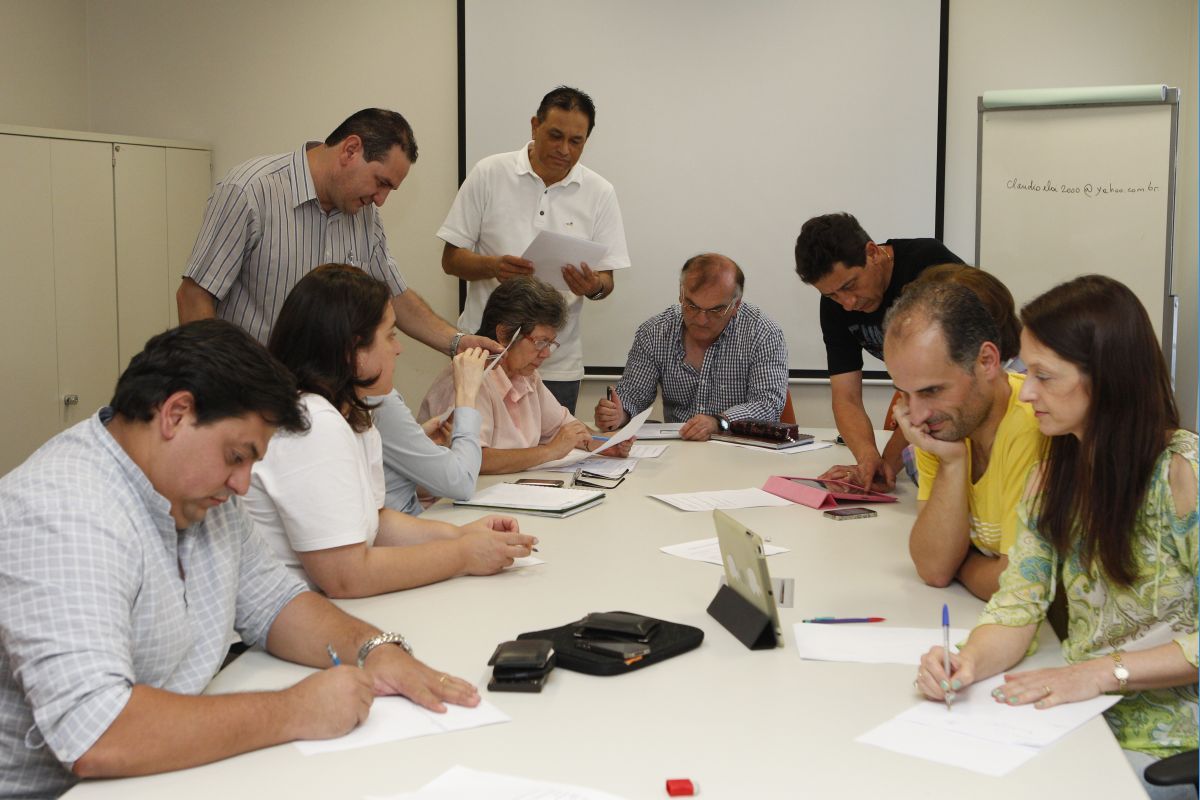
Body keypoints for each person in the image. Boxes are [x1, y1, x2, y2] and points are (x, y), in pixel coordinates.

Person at [0, 320, 481, 799]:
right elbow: (97, 733)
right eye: (236, 456)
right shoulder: (63, 511)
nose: (243, 484)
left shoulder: (195, 493)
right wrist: (295, 710)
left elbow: (276, 604)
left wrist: (375, 648)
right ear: (175, 414)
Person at [916, 275, 1197, 800]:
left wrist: (1101, 673)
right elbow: (1019, 602)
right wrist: (969, 661)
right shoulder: (1055, 473)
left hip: (1171, 742)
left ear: (1107, 379)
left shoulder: (1182, 474)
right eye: (1028, 371)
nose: (1030, 392)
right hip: (1082, 718)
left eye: (1045, 376)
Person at [239, 264, 536, 598]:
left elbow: (376, 523)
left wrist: (462, 535)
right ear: (353, 351)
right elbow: (345, 577)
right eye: (391, 335)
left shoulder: (355, 413)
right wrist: (464, 553)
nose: (399, 348)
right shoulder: (314, 422)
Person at [177, 108, 497, 356]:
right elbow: (194, 296)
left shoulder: (364, 214)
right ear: (350, 150)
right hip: (251, 396)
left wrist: (457, 343)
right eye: (381, 182)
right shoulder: (250, 191)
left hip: (324, 400)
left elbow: (393, 295)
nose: (381, 200)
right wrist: (221, 387)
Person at [438, 86, 631, 413]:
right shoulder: (490, 173)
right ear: (534, 126)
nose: (564, 150)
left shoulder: (600, 192)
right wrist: (493, 267)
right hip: (486, 352)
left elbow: (606, 281)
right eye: (555, 136)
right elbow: (451, 259)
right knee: (476, 451)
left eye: (576, 141)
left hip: (555, 362)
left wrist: (593, 286)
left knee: (554, 458)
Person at [882, 279, 1043, 600]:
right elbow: (933, 567)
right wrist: (952, 462)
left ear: (986, 361)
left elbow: (1014, 583)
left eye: (932, 390)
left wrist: (960, 563)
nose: (916, 416)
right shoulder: (941, 428)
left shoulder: (1032, 425)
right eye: (905, 394)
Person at [794, 212, 964, 491]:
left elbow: (939, 389)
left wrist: (886, 464)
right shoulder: (836, 306)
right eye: (832, 295)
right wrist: (867, 459)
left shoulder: (927, 265)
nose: (847, 304)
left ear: (872, 253)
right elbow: (846, 396)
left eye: (849, 286)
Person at [420, 277, 631, 474]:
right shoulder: (470, 376)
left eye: (550, 343)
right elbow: (475, 459)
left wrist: (606, 444)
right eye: (540, 342)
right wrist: (549, 451)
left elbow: (567, 429)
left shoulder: (526, 375)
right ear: (504, 334)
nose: (546, 353)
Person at [594, 253, 788, 442]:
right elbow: (633, 395)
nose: (701, 319)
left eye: (715, 310)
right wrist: (619, 414)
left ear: (736, 304)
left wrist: (719, 422)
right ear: (681, 294)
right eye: (692, 306)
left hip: (739, 450)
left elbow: (768, 405)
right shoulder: (655, 332)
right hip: (678, 451)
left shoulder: (763, 334)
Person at [374, 376, 483, 515]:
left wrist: (418, 441)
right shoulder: (382, 400)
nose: (399, 352)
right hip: (405, 528)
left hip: (405, 524)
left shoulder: (373, 400)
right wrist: (466, 395)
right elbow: (463, 483)